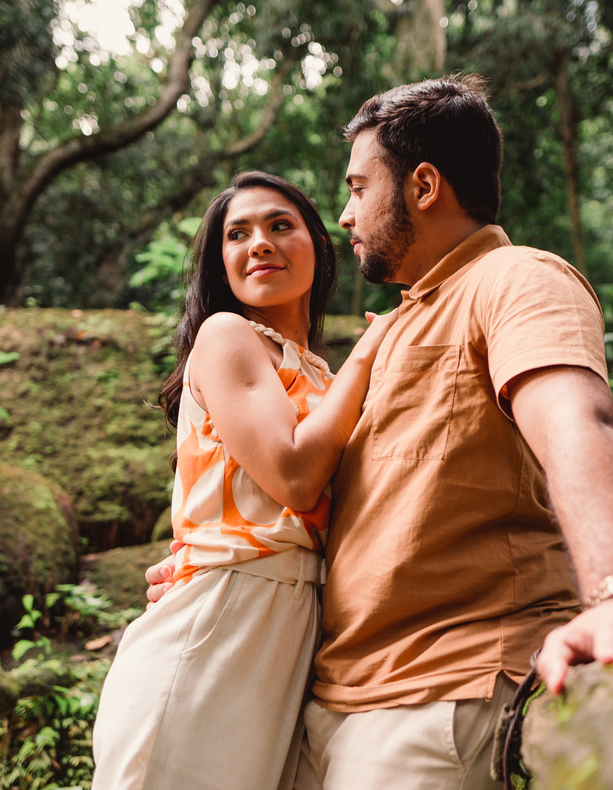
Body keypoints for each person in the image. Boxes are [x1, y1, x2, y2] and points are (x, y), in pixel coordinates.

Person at [146, 76, 613, 789]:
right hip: (321, 702)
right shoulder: (390, 329)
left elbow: (575, 421)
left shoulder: (514, 279)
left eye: (359, 189)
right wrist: (214, 565)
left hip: (437, 694)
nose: (345, 216)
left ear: (423, 186)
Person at [92, 171, 395, 790]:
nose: (259, 243)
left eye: (280, 225)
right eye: (238, 234)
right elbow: (294, 475)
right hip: (222, 615)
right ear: (221, 263)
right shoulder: (228, 334)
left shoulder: (322, 376)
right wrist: (371, 351)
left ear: (319, 245)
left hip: (296, 629)